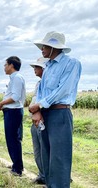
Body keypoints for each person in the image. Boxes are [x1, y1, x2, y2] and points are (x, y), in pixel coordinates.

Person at [29, 31, 82, 187]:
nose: (42, 49)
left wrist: (39, 105)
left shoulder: (71, 63)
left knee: (59, 157)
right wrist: (37, 111)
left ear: (54, 47)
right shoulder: (48, 67)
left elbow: (63, 90)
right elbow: (41, 91)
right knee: (47, 155)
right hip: (46, 113)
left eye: (45, 46)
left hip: (60, 113)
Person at [0, 56, 26, 176]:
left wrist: (1, 103)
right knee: (11, 139)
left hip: (14, 112)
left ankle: (17, 169)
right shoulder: (13, 78)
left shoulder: (17, 77)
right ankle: (16, 164)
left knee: (13, 140)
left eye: (5, 65)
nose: (4, 67)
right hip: (10, 111)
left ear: (11, 65)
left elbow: (16, 97)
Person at [29, 57, 49, 185]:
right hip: (35, 122)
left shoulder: (48, 84)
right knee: (38, 151)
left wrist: (36, 111)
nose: (34, 69)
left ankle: (49, 177)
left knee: (46, 151)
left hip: (43, 120)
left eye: (37, 67)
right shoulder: (38, 84)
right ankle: (42, 175)